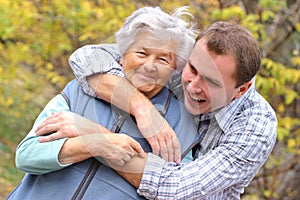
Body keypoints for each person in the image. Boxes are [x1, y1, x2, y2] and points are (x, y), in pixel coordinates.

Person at [44, 21, 278, 199]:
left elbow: (174, 189)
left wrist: (97, 138)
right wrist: (141, 107)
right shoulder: (183, 59)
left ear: (241, 89)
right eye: (193, 70)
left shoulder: (256, 125)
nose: (193, 86)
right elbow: (87, 57)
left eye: (211, 82)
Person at [8, 6, 198, 199]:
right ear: (122, 55)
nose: (149, 66)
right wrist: (96, 143)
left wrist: (93, 134)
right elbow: (27, 156)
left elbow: (176, 191)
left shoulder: (182, 123)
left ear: (175, 69)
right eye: (141, 53)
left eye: (163, 59)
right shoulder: (80, 91)